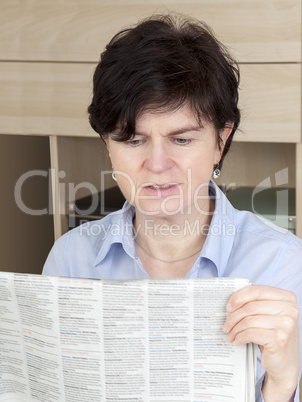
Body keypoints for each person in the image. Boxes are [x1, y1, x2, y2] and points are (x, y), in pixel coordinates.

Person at [43, 14, 302, 401]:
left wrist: (282, 383)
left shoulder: (283, 265)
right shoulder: (70, 259)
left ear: (220, 140)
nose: (157, 164)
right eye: (133, 140)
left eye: (181, 140)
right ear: (107, 145)